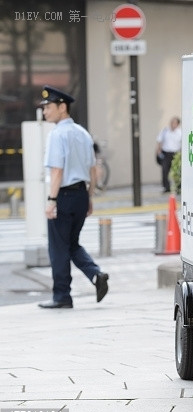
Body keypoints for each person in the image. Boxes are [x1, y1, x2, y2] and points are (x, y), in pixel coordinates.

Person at [38, 85, 109, 309]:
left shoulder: (57, 134)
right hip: (80, 195)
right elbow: (93, 170)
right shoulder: (82, 132)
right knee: (71, 243)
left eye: (48, 106)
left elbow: (57, 171)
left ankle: (62, 296)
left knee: (58, 246)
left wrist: (51, 200)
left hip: (64, 195)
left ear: (62, 107)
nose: (45, 111)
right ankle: (96, 275)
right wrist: (89, 198)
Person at [155, 116, 181, 193]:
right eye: (171, 122)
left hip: (175, 154)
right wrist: (158, 151)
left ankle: (178, 187)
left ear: (177, 124)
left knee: (177, 171)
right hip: (166, 153)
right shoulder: (165, 131)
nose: (172, 124)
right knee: (165, 171)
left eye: (174, 122)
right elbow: (159, 140)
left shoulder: (180, 133)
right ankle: (166, 187)